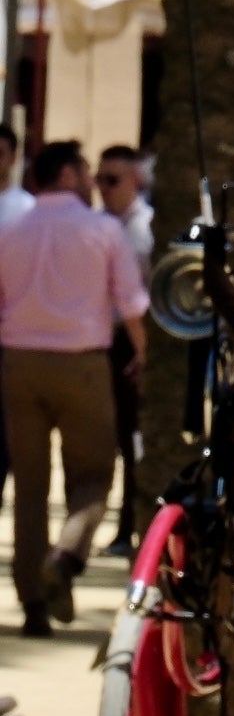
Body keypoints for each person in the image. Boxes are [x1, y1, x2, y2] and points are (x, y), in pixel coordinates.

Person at [1, 141, 147, 634]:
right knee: (93, 476)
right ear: (67, 172)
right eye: (86, 171)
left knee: (29, 488)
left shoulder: (11, 229)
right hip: (83, 365)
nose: (91, 181)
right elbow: (131, 302)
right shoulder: (102, 229)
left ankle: (34, 605)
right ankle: (66, 553)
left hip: (19, 363)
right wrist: (143, 353)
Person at [94, 144, 152, 556]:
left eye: (111, 180)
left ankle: (131, 527)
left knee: (134, 438)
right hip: (100, 342)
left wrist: (143, 351)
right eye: (99, 180)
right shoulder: (95, 226)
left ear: (136, 182)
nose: (103, 189)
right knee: (106, 439)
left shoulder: (146, 229)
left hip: (132, 344)